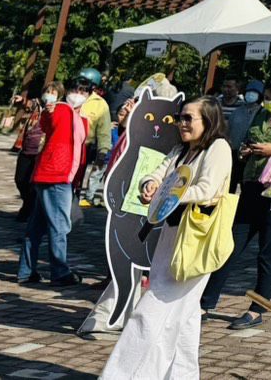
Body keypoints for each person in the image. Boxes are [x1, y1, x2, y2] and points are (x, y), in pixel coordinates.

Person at [97, 97, 231, 380]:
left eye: (188, 118)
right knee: (185, 318)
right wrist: (151, 185)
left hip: (196, 239)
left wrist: (169, 195)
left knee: (152, 309)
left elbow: (208, 190)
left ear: (208, 121)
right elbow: (157, 173)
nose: (181, 124)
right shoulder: (180, 150)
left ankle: (121, 375)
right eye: (180, 118)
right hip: (170, 234)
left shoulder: (218, 149)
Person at [200, 78, 271, 328]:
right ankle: (205, 302)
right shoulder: (262, 115)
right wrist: (246, 151)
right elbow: (249, 138)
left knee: (269, 250)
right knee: (230, 244)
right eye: (266, 96)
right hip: (252, 185)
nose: (267, 102)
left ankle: (257, 308)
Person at [17, 82, 87, 287]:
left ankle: (26, 271)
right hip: (57, 174)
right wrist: (50, 110)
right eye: (76, 90)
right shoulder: (62, 109)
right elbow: (52, 123)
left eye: (84, 91)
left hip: (50, 174)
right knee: (59, 226)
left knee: (36, 227)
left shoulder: (75, 116)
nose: (79, 94)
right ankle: (59, 272)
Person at [73, 71, 114, 205]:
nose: (81, 88)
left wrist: (103, 150)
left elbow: (104, 130)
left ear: (93, 87)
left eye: (85, 84)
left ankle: (71, 206)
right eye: (79, 83)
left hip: (84, 147)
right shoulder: (69, 97)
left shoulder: (100, 104)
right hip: (64, 144)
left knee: (76, 180)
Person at [12, 86, 44, 221]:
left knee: (33, 183)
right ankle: (28, 203)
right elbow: (29, 104)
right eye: (48, 92)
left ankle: (29, 209)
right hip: (26, 148)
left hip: (41, 151)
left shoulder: (57, 109)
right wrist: (21, 100)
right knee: (20, 179)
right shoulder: (38, 105)